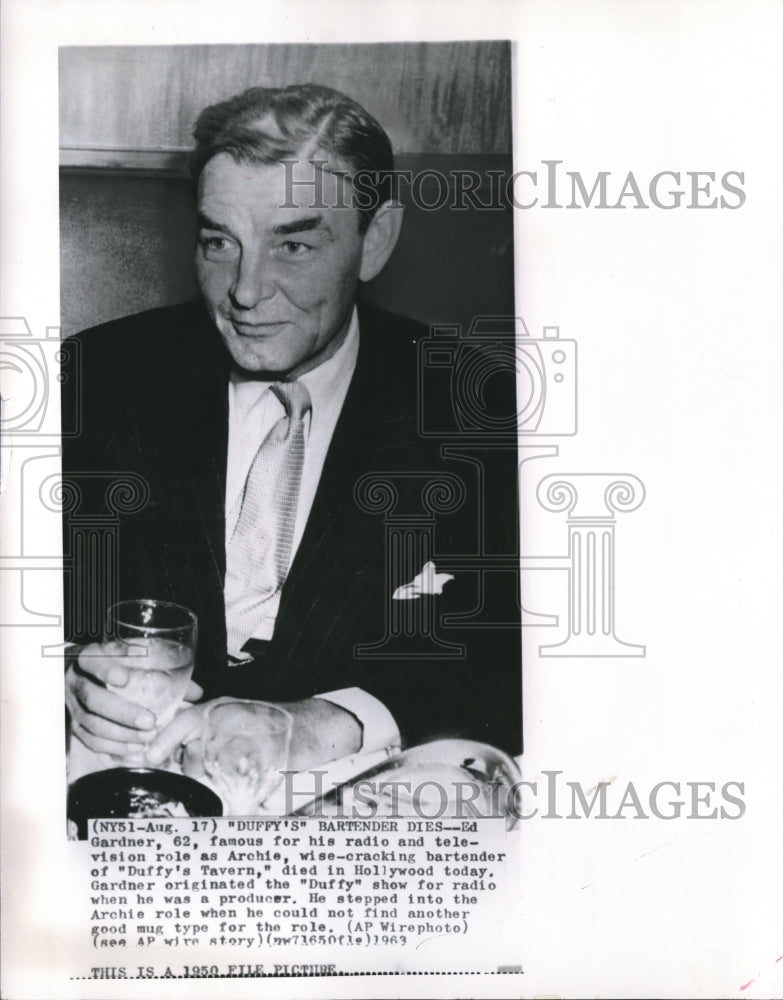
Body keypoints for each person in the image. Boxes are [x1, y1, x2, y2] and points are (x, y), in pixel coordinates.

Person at [63, 84, 522, 776]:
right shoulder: (93, 377)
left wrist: (329, 723)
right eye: (219, 241)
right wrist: (64, 674)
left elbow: (519, 656)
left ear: (377, 240)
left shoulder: (477, 407)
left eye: (294, 245)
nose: (245, 291)